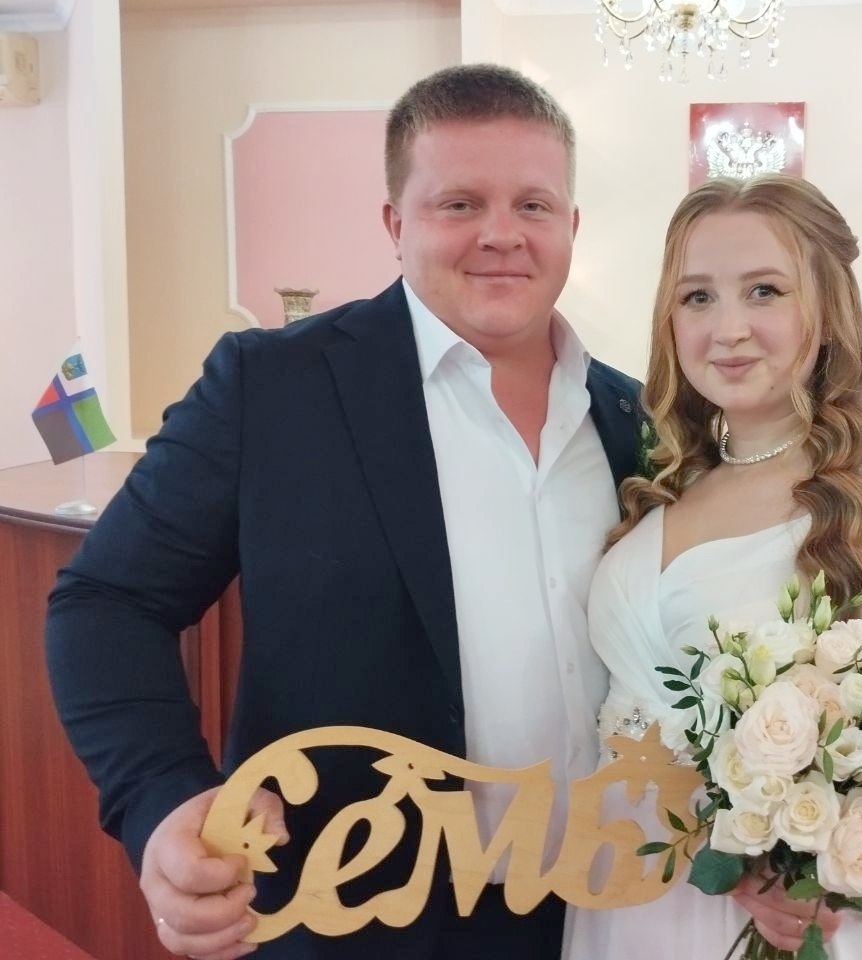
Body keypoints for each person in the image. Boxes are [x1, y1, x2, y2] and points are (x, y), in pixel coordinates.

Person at [45, 64, 645, 960]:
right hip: (355, 920)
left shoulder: (639, 417)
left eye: (533, 205)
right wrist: (163, 795)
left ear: (571, 226)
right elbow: (107, 603)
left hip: (605, 914)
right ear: (396, 224)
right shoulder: (271, 387)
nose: (501, 234)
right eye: (459, 204)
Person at [562, 175, 862, 959]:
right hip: (637, 911)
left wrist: (831, 882)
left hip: (798, 930)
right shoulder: (662, 488)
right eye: (697, 297)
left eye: (765, 290)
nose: (729, 328)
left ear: (826, 313)